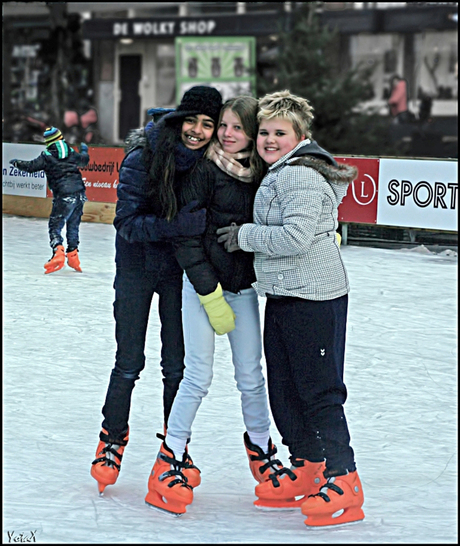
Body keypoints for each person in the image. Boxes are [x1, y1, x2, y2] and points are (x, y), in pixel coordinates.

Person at [216, 90, 364, 528]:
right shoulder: (280, 171)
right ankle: (308, 466)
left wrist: (244, 235)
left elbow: (295, 238)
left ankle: (345, 478)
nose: (269, 140)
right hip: (285, 293)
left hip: (314, 297)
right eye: (264, 132)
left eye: (280, 132)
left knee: (319, 391)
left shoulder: (298, 176)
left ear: (300, 136)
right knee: (284, 385)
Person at [144, 96, 290, 517]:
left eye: (236, 128)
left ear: (252, 133)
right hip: (201, 288)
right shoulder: (203, 170)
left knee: (251, 375)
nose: (227, 134)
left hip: (242, 290)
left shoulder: (262, 174)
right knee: (198, 376)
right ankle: (170, 456)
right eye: (222, 125)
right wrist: (208, 291)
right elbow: (187, 238)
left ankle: (262, 450)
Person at [90, 86, 223, 495]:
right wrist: (175, 227)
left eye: (208, 125)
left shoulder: (210, 163)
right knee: (128, 360)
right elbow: (126, 222)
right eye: (192, 121)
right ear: (178, 119)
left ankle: (175, 447)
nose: (197, 132)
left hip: (176, 272)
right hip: (135, 267)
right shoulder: (143, 155)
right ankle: (112, 437)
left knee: (176, 367)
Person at [9, 127, 89, 274]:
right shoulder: (71, 152)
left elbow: (31, 167)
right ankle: (73, 256)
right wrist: (84, 150)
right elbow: (84, 161)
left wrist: (16, 163)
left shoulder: (46, 156)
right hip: (79, 194)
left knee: (55, 225)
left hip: (64, 195)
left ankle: (58, 252)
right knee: (73, 225)